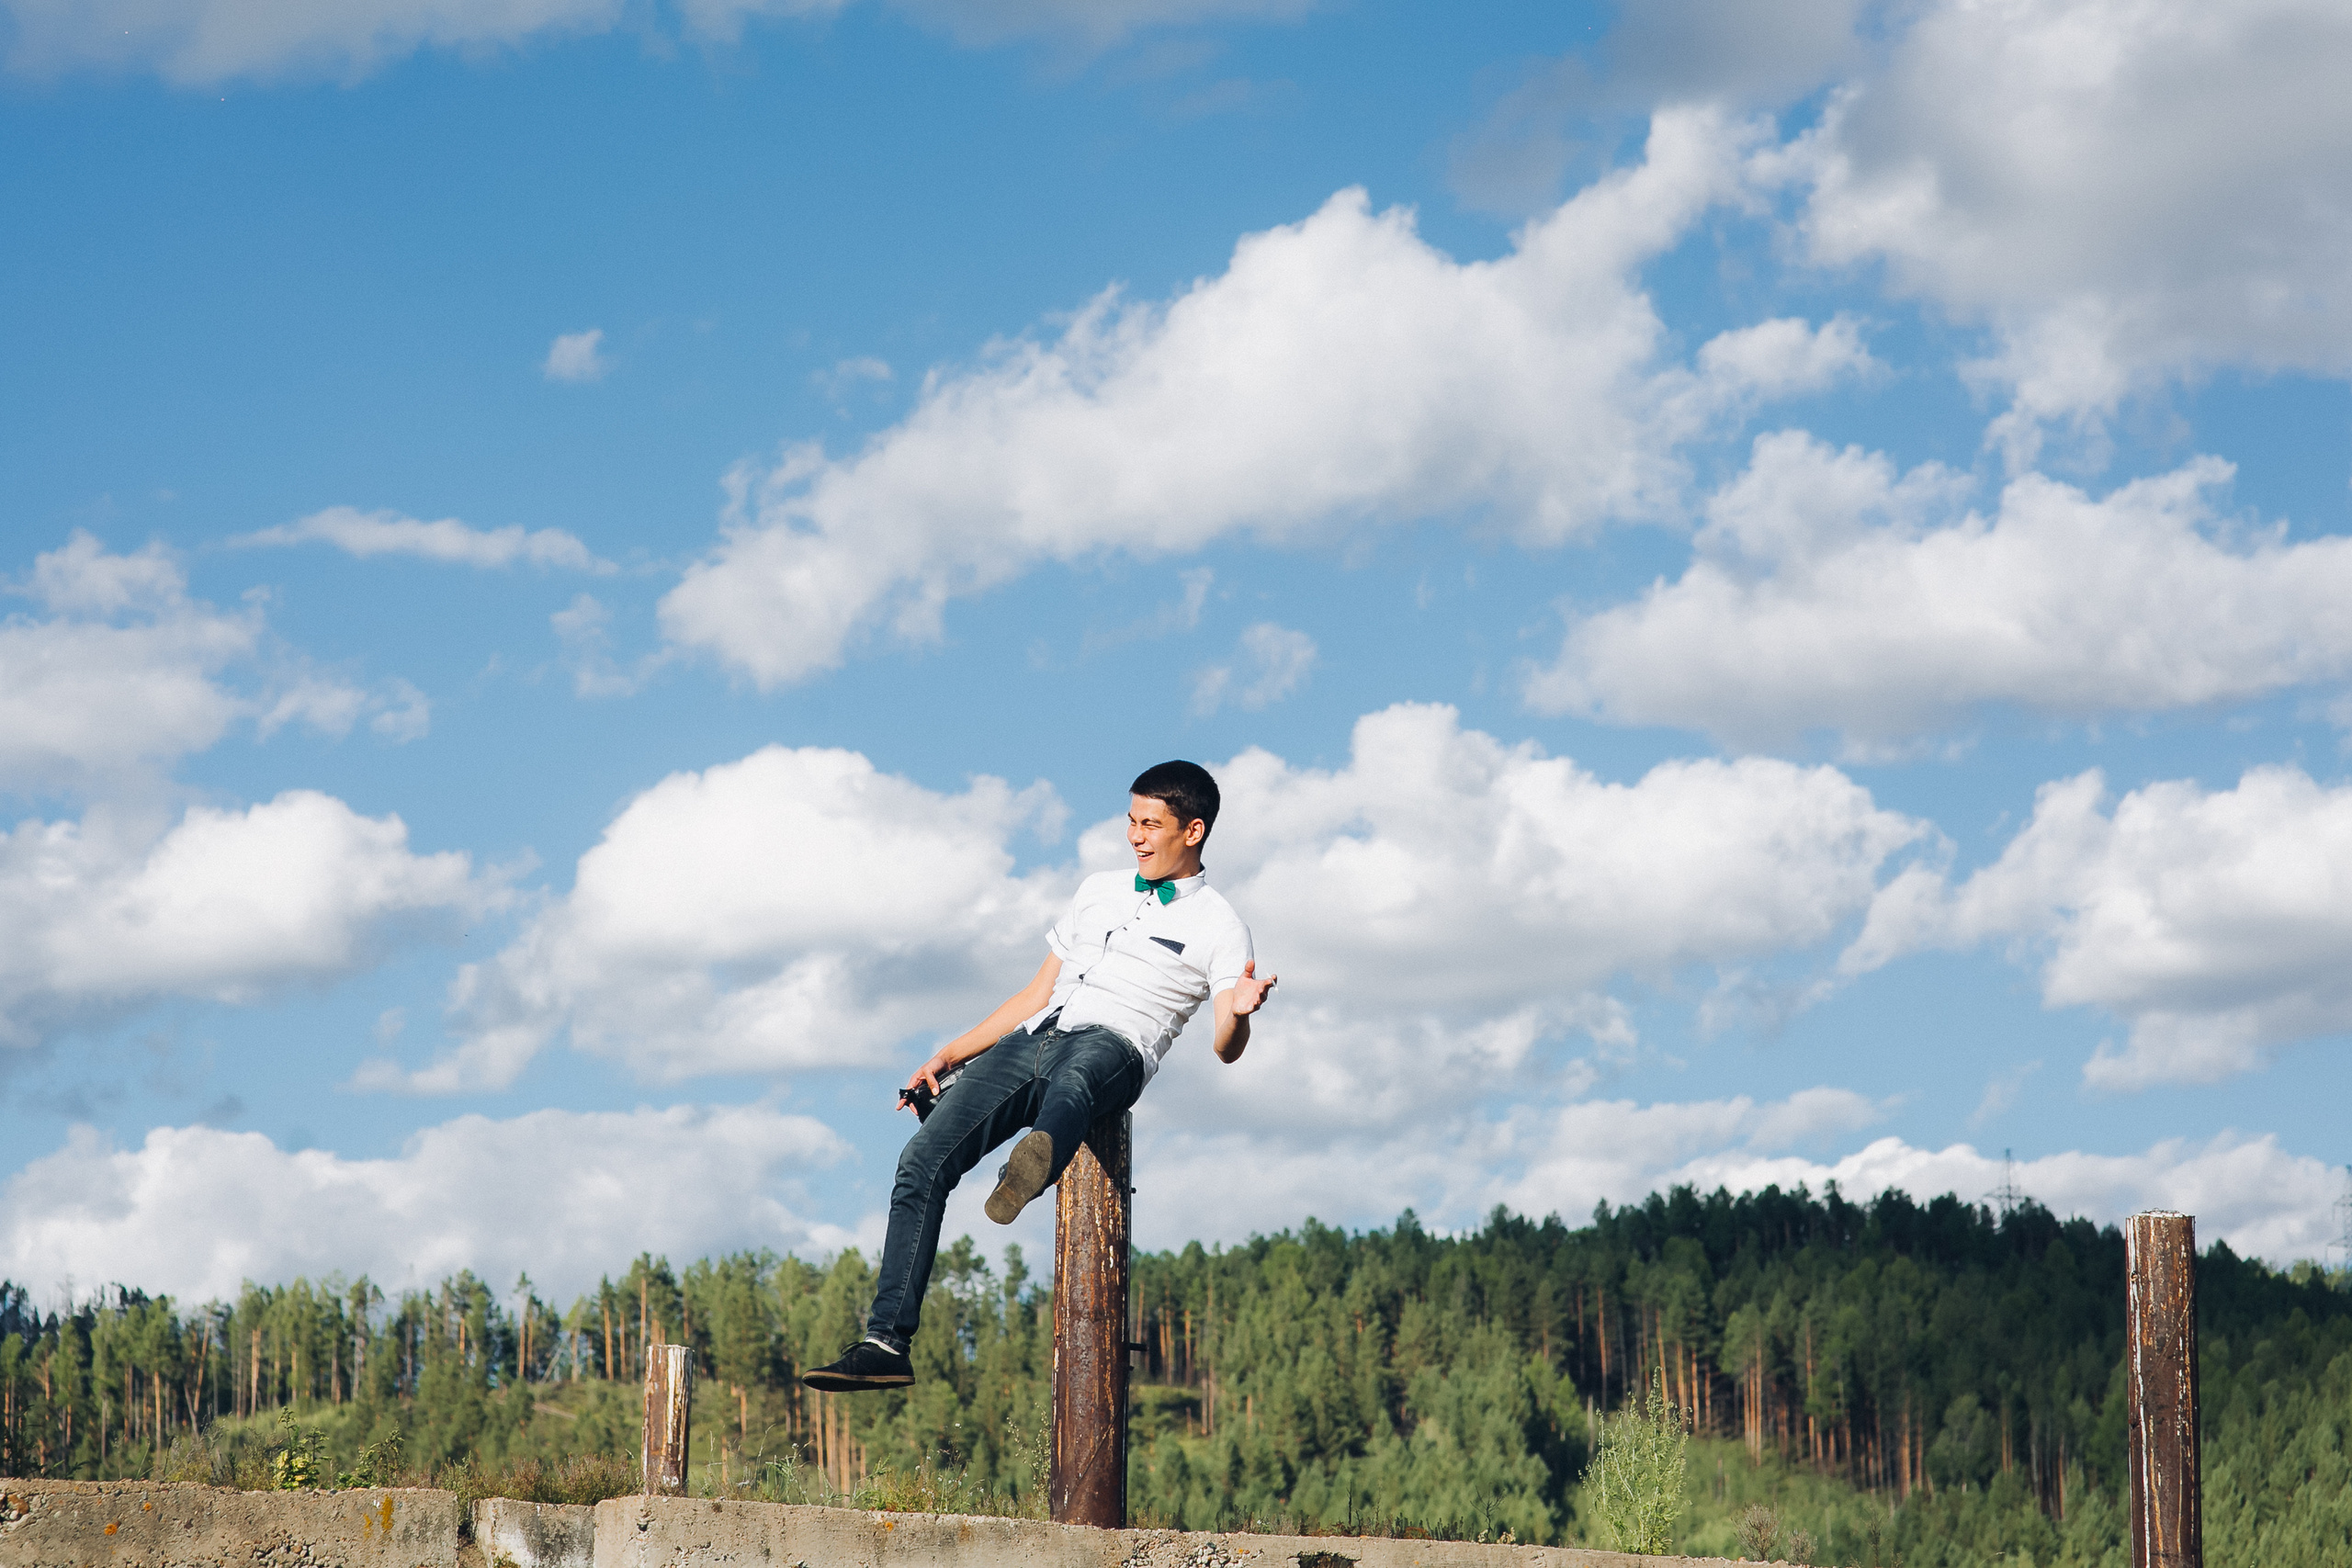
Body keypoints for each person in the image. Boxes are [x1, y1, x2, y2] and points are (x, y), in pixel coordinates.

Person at [801, 760, 1275, 1392]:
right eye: (1130, 820)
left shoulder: (1219, 923)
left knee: (1076, 1086)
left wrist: (1240, 1013)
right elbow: (1035, 993)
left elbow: (1224, 1044)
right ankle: (886, 1342)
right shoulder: (1097, 890)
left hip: (1117, 1044)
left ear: (1192, 830)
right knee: (921, 1159)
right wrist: (950, 1053)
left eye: (1150, 824)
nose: (1135, 835)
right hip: (1037, 1037)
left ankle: (1032, 1162)